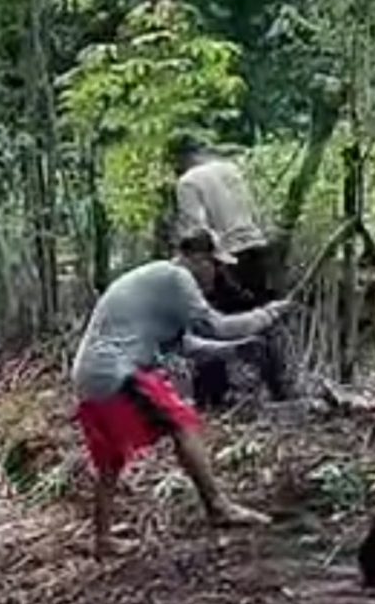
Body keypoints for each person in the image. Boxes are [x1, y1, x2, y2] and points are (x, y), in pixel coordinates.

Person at [72, 228, 291, 559]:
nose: (217, 273)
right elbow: (213, 326)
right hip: (117, 369)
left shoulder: (160, 281)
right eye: (215, 265)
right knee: (181, 422)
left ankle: (102, 538)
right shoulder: (176, 276)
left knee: (111, 459)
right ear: (199, 259)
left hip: (91, 374)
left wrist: (236, 349)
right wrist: (269, 314)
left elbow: (187, 345)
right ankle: (219, 506)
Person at [172, 137, 292, 407]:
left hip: (225, 255)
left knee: (208, 323)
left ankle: (211, 395)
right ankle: (278, 387)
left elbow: (198, 230)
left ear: (183, 160)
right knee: (262, 318)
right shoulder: (231, 170)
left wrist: (199, 263)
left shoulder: (188, 182)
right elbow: (252, 211)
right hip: (256, 249)